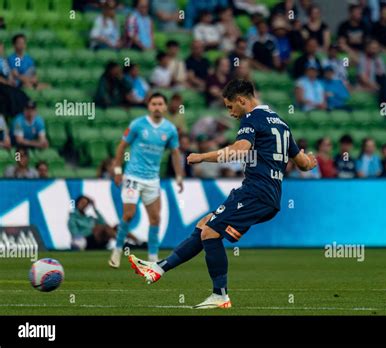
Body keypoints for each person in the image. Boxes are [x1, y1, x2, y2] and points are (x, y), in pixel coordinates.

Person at [127, 79, 317, 309]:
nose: (230, 113)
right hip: (268, 195)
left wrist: (201, 156)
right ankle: (158, 268)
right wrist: (309, 161)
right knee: (205, 224)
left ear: (242, 100)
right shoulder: (282, 124)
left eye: (230, 106)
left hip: (255, 191)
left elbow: (239, 150)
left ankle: (220, 295)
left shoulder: (252, 118)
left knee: (210, 233)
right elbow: (304, 164)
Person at [109, 92, 184, 268]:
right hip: (133, 176)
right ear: (148, 106)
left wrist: (179, 176)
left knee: (155, 219)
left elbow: (175, 153)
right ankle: (117, 250)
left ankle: (152, 259)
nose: (157, 107)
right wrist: (118, 170)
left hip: (152, 179)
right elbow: (122, 147)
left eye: (160, 104)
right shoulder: (137, 125)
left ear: (165, 107)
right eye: (154, 104)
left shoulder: (170, 129)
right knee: (128, 214)